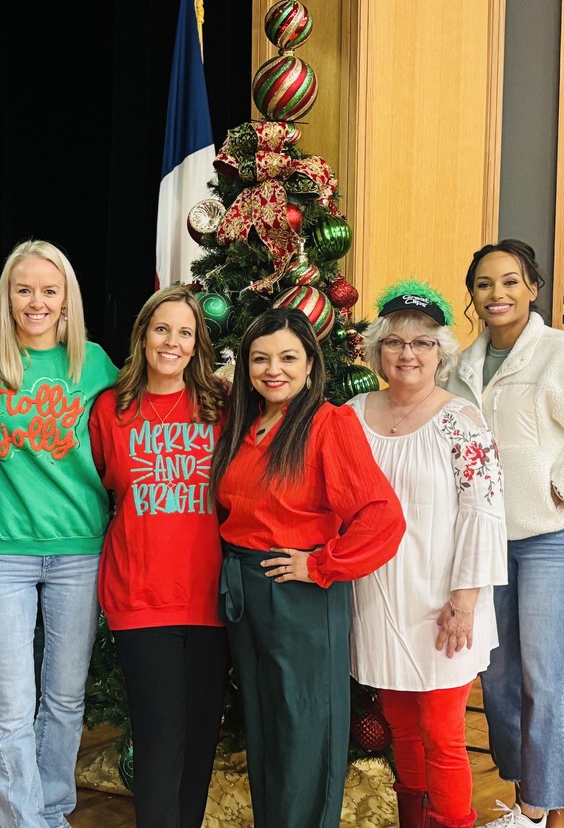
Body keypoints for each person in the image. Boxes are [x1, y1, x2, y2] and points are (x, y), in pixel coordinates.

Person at [444, 240, 564, 828]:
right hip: (486, 543)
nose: (496, 294)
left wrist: (563, 487)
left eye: (509, 282)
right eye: (483, 284)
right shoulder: (459, 369)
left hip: (554, 538)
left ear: (532, 287)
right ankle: (529, 790)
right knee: (497, 675)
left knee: (545, 671)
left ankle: (542, 813)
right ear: (473, 296)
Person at [0, 239, 118, 828]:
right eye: (24, 290)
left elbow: (147, 410)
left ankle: (54, 810)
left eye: (49, 290)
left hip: (78, 550)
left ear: (66, 299)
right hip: (2, 554)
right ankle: (25, 821)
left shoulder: (92, 362)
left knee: (66, 700)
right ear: (7, 296)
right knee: (14, 705)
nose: (36, 302)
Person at [211, 306, 406, 828]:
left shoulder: (327, 424)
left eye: (288, 357)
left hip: (298, 593)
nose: (274, 370)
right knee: (265, 727)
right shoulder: (244, 425)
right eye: (260, 359)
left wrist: (321, 564)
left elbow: (382, 517)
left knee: (304, 730)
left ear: (309, 363)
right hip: (246, 592)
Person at [346, 280, 508, 828]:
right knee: (400, 729)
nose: (407, 353)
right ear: (377, 351)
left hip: (444, 602)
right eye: (395, 342)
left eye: (422, 342)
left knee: (442, 735)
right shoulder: (350, 416)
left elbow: (483, 513)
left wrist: (464, 600)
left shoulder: (462, 421)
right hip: (376, 598)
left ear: (441, 352)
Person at [88, 284, 229, 828]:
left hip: (210, 599)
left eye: (185, 333)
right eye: (162, 329)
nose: (172, 342)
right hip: (141, 597)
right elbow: (98, 492)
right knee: (159, 737)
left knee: (198, 740)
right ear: (143, 335)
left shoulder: (220, 406)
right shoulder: (110, 408)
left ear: (198, 346)